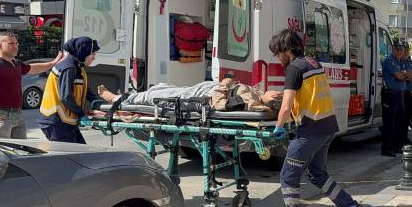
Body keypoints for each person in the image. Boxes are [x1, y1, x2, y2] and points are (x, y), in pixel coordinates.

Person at [266, 29, 366, 207]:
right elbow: (308, 94)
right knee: (318, 174)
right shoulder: (313, 63)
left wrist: (279, 127)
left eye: (277, 53)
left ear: (286, 49)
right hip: (328, 126)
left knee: (288, 177)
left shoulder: (294, 69)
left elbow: (285, 107)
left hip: (310, 131)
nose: (277, 57)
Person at [0, 31, 63, 139]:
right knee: (3, 149)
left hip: (18, 114)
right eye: (11, 44)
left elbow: (33, 68)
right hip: (0, 114)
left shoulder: (15, 63)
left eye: (16, 43)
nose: (15, 46)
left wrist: (53, 64)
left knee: (21, 149)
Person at [37, 37, 100, 144]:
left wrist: (96, 101)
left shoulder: (78, 67)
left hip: (65, 121)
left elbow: (85, 89)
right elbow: (66, 97)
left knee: (81, 153)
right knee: (70, 157)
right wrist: (81, 114)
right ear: (83, 53)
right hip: (55, 121)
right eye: (93, 54)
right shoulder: (69, 67)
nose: (94, 58)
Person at [97, 78, 282, 112]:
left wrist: (225, 84)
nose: (275, 90)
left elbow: (219, 104)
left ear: (273, 98)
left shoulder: (250, 101)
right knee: (161, 87)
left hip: (200, 98)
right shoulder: (257, 95)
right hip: (202, 90)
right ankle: (131, 95)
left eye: (277, 92)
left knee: (157, 97)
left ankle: (117, 99)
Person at [380, 41, 410, 157]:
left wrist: (405, 75)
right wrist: (405, 75)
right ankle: (386, 148)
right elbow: (399, 76)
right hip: (390, 94)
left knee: (399, 122)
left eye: (401, 49)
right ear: (393, 49)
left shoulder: (401, 61)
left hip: (400, 94)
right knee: (389, 123)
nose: (399, 51)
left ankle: (396, 146)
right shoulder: (389, 60)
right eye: (397, 49)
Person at [399, 42, 412, 146]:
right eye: (404, 50)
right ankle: (400, 140)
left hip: (411, 93)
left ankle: (404, 138)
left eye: (407, 50)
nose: (406, 52)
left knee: (407, 118)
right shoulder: (400, 61)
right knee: (401, 118)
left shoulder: (409, 61)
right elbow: (403, 76)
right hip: (403, 93)